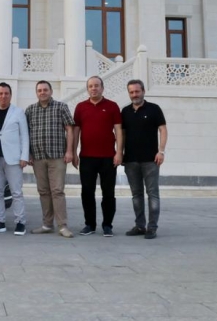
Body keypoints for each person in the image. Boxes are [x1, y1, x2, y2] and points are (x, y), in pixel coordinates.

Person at [72, 76, 123, 237]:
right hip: (87, 157)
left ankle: (107, 225)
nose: (93, 88)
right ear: (87, 89)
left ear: (102, 88)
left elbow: (118, 130)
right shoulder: (81, 107)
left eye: (96, 86)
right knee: (87, 192)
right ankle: (90, 224)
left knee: (108, 193)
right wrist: (73, 152)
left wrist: (119, 152)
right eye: (90, 86)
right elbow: (76, 131)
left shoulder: (112, 106)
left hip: (108, 158)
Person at [25, 80, 76, 238]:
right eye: (39, 90)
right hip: (38, 157)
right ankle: (47, 224)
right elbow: (26, 133)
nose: (42, 92)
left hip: (57, 156)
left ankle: (62, 226)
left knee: (57, 191)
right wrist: (28, 153)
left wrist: (69, 151)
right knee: (43, 191)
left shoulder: (61, 107)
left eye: (45, 90)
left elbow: (69, 129)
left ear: (51, 91)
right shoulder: (30, 110)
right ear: (36, 93)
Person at [121, 79, 167, 240]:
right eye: (131, 92)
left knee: (152, 194)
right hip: (131, 160)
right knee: (136, 195)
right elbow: (122, 134)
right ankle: (140, 226)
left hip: (150, 160)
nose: (134, 94)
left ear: (143, 91)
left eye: (137, 91)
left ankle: (152, 227)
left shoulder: (154, 109)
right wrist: (120, 153)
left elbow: (163, 130)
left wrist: (161, 151)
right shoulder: (125, 111)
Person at [0, 82, 29, 236]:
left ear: (10, 95)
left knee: (16, 192)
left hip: (14, 159)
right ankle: (0, 221)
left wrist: (24, 156)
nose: (3, 96)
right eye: (0, 93)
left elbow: (24, 135)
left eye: (6, 93)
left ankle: (20, 222)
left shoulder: (18, 112)